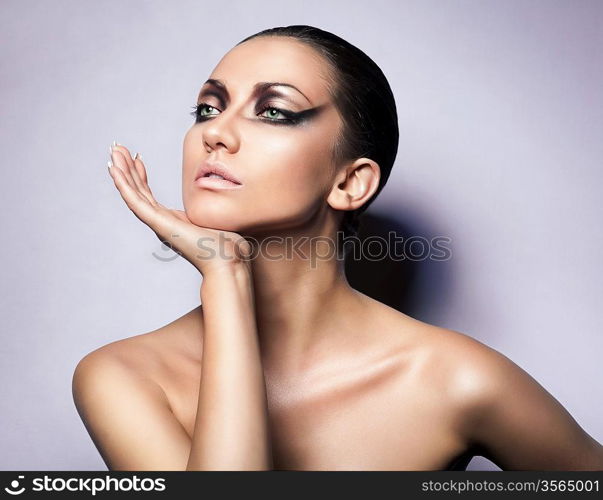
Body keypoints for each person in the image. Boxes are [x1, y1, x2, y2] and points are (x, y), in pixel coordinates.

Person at [71, 25, 603, 471]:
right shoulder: (125, 375)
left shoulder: (454, 378)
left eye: (274, 111)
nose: (216, 134)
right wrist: (225, 277)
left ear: (350, 183)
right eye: (208, 108)